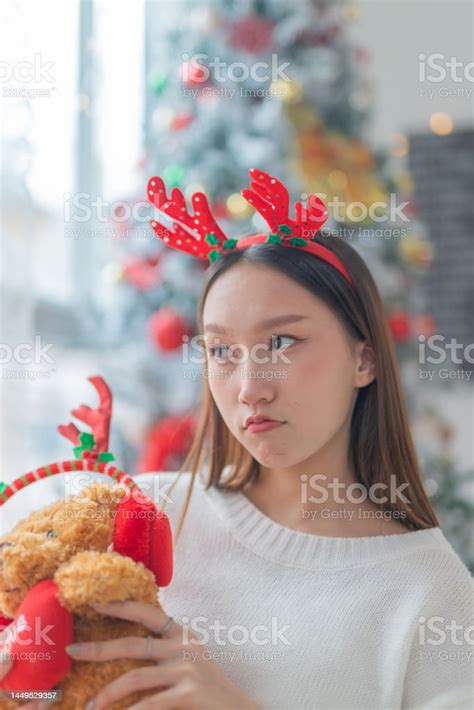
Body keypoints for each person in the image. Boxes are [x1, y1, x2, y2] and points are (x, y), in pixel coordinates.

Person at [6, 174, 472, 709]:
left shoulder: (431, 596)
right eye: (222, 351)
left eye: (281, 341)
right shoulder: (143, 512)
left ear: (363, 360)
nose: (249, 388)